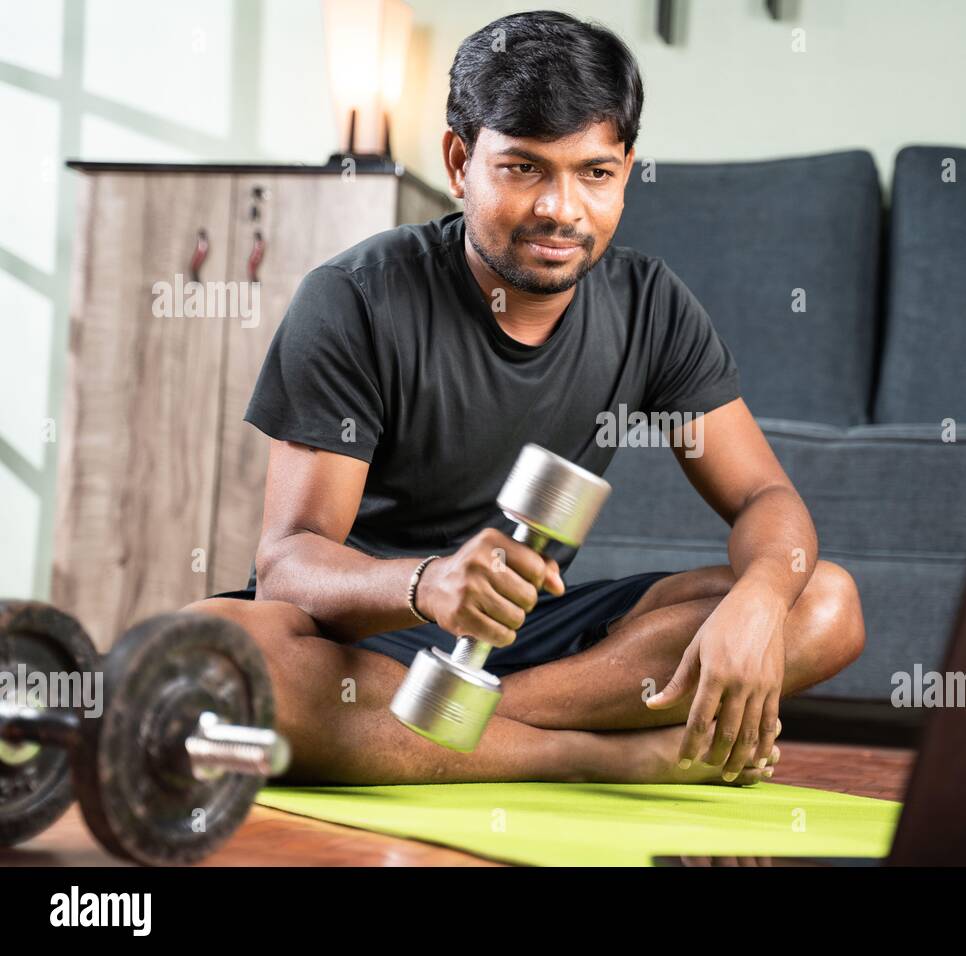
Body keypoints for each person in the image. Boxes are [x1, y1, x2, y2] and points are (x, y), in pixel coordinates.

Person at [185, 9, 865, 786]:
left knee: (824, 601)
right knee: (223, 654)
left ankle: (455, 728)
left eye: (594, 173)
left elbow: (764, 497)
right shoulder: (354, 298)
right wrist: (429, 582)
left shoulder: (651, 303)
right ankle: (603, 758)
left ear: (626, 171)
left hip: (532, 637)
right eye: (523, 168)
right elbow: (287, 567)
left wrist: (760, 600)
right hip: (370, 637)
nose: (561, 209)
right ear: (458, 160)